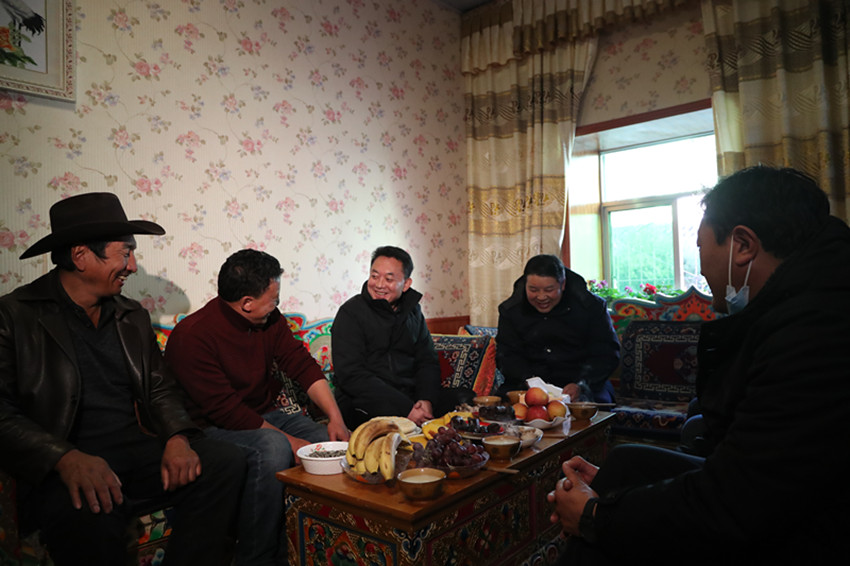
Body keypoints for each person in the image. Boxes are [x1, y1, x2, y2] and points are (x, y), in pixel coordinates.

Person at [547, 165, 850, 564]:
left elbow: (738, 502)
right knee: (624, 463)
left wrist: (595, 516)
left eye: (701, 247)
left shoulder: (816, 331)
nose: (703, 267)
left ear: (743, 245)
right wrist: (614, 497)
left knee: (597, 534)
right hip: (769, 493)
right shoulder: (807, 297)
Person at [0, 193, 245, 566]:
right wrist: (64, 458)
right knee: (88, 509)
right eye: (125, 253)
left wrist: (177, 438)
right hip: (67, 462)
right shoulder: (14, 316)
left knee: (226, 461)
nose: (132, 265)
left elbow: (161, 388)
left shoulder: (131, 316)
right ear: (81, 256)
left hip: (136, 453)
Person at [164, 248, 349, 566]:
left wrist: (335, 418)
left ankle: (318, 545)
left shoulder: (269, 319)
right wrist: (291, 443)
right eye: (273, 298)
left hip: (266, 414)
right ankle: (256, 557)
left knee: (326, 442)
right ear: (247, 302)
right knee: (273, 447)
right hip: (211, 427)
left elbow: (300, 363)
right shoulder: (193, 336)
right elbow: (227, 411)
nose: (277, 305)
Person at [331, 245, 472, 428]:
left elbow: (427, 361)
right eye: (374, 276)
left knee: (465, 399)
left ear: (406, 284)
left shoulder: (413, 312)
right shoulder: (350, 313)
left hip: (410, 396)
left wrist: (426, 400)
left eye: (389, 279)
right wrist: (406, 409)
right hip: (367, 399)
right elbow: (352, 375)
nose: (379, 284)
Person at [495, 254, 619, 403]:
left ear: (563, 284)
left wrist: (581, 384)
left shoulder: (591, 306)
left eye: (549, 290)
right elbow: (507, 355)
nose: (541, 297)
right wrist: (531, 381)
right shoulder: (511, 310)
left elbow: (606, 354)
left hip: (583, 383)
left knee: (593, 407)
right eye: (533, 290)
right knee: (502, 408)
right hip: (527, 383)